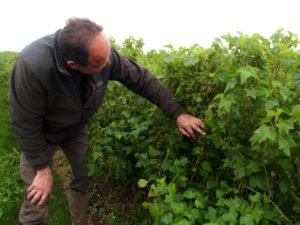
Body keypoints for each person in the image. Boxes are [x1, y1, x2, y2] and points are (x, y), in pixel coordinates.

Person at [9, 17, 206, 225]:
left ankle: (80, 221)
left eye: (107, 56)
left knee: (84, 175)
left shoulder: (103, 54)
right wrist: (42, 169)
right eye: (100, 64)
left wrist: (177, 113)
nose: (109, 64)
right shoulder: (32, 66)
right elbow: (24, 124)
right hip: (41, 135)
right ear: (73, 65)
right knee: (38, 193)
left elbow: (140, 78)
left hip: (76, 128)